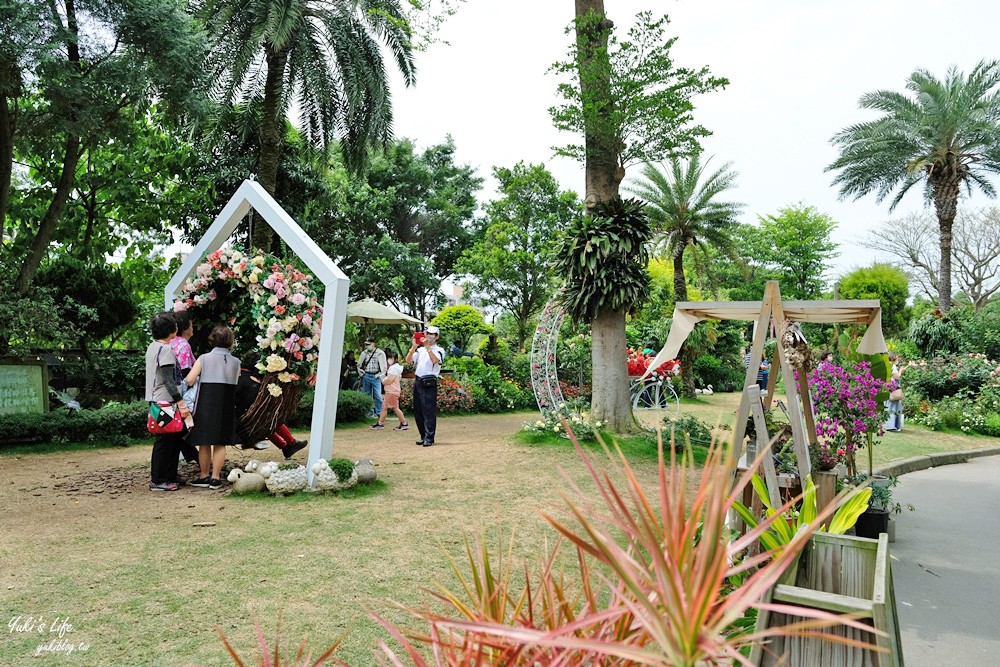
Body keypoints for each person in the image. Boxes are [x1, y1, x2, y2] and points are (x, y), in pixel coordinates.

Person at [184, 326, 240, 489]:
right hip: (226, 403)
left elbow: (189, 380)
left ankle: (204, 476)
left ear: (212, 340)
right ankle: (216, 478)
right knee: (220, 442)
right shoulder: (236, 362)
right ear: (230, 342)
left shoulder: (204, 359)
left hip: (206, 402)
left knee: (204, 441)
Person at [144, 312, 191, 491]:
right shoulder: (166, 350)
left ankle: (170, 475)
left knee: (173, 439)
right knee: (164, 442)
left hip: (157, 400)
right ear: (171, 330)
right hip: (165, 401)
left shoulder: (153, 346)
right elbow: (168, 380)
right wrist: (180, 402)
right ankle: (158, 479)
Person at [234, 352, 308, 458]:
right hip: (244, 420)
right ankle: (290, 443)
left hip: (243, 417)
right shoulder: (252, 381)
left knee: (265, 420)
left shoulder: (238, 376)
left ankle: (286, 446)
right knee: (269, 419)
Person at [406, 325, 446, 446]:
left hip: (429, 381)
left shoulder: (439, 350)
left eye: (432, 334)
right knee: (418, 410)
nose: (429, 336)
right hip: (418, 380)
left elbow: (435, 361)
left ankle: (429, 437)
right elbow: (408, 360)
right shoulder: (420, 350)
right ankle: (423, 435)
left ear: (437, 337)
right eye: (427, 333)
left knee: (428, 410)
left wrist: (428, 347)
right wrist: (413, 347)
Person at [169, 311, 200, 462]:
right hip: (180, 391)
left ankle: (192, 457)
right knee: (181, 429)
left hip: (167, 391)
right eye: (191, 323)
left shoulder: (171, 342)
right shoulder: (183, 345)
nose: (193, 326)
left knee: (176, 430)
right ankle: (195, 457)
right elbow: (186, 374)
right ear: (185, 326)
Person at [370, 350, 408, 431]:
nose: (388, 360)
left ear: (393, 358)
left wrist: (382, 378)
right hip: (392, 391)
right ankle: (380, 423)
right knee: (385, 407)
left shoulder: (393, 369)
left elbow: (388, 380)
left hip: (391, 391)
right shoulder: (397, 368)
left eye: (389, 358)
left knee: (394, 408)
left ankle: (404, 423)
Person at [358, 336, 387, 419]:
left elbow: (384, 367)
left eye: (369, 344)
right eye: (366, 344)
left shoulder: (380, 353)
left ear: (373, 344)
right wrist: (361, 373)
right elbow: (359, 365)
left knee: (378, 395)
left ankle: (379, 413)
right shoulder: (364, 353)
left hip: (376, 376)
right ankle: (369, 413)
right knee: (367, 395)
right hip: (366, 375)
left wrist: (381, 375)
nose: (367, 346)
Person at [885, 353, 904, 432]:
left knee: (889, 406)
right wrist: (901, 371)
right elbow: (897, 376)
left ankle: (891, 425)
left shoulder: (886, 365)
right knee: (894, 407)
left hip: (888, 388)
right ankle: (892, 426)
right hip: (894, 388)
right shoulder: (892, 366)